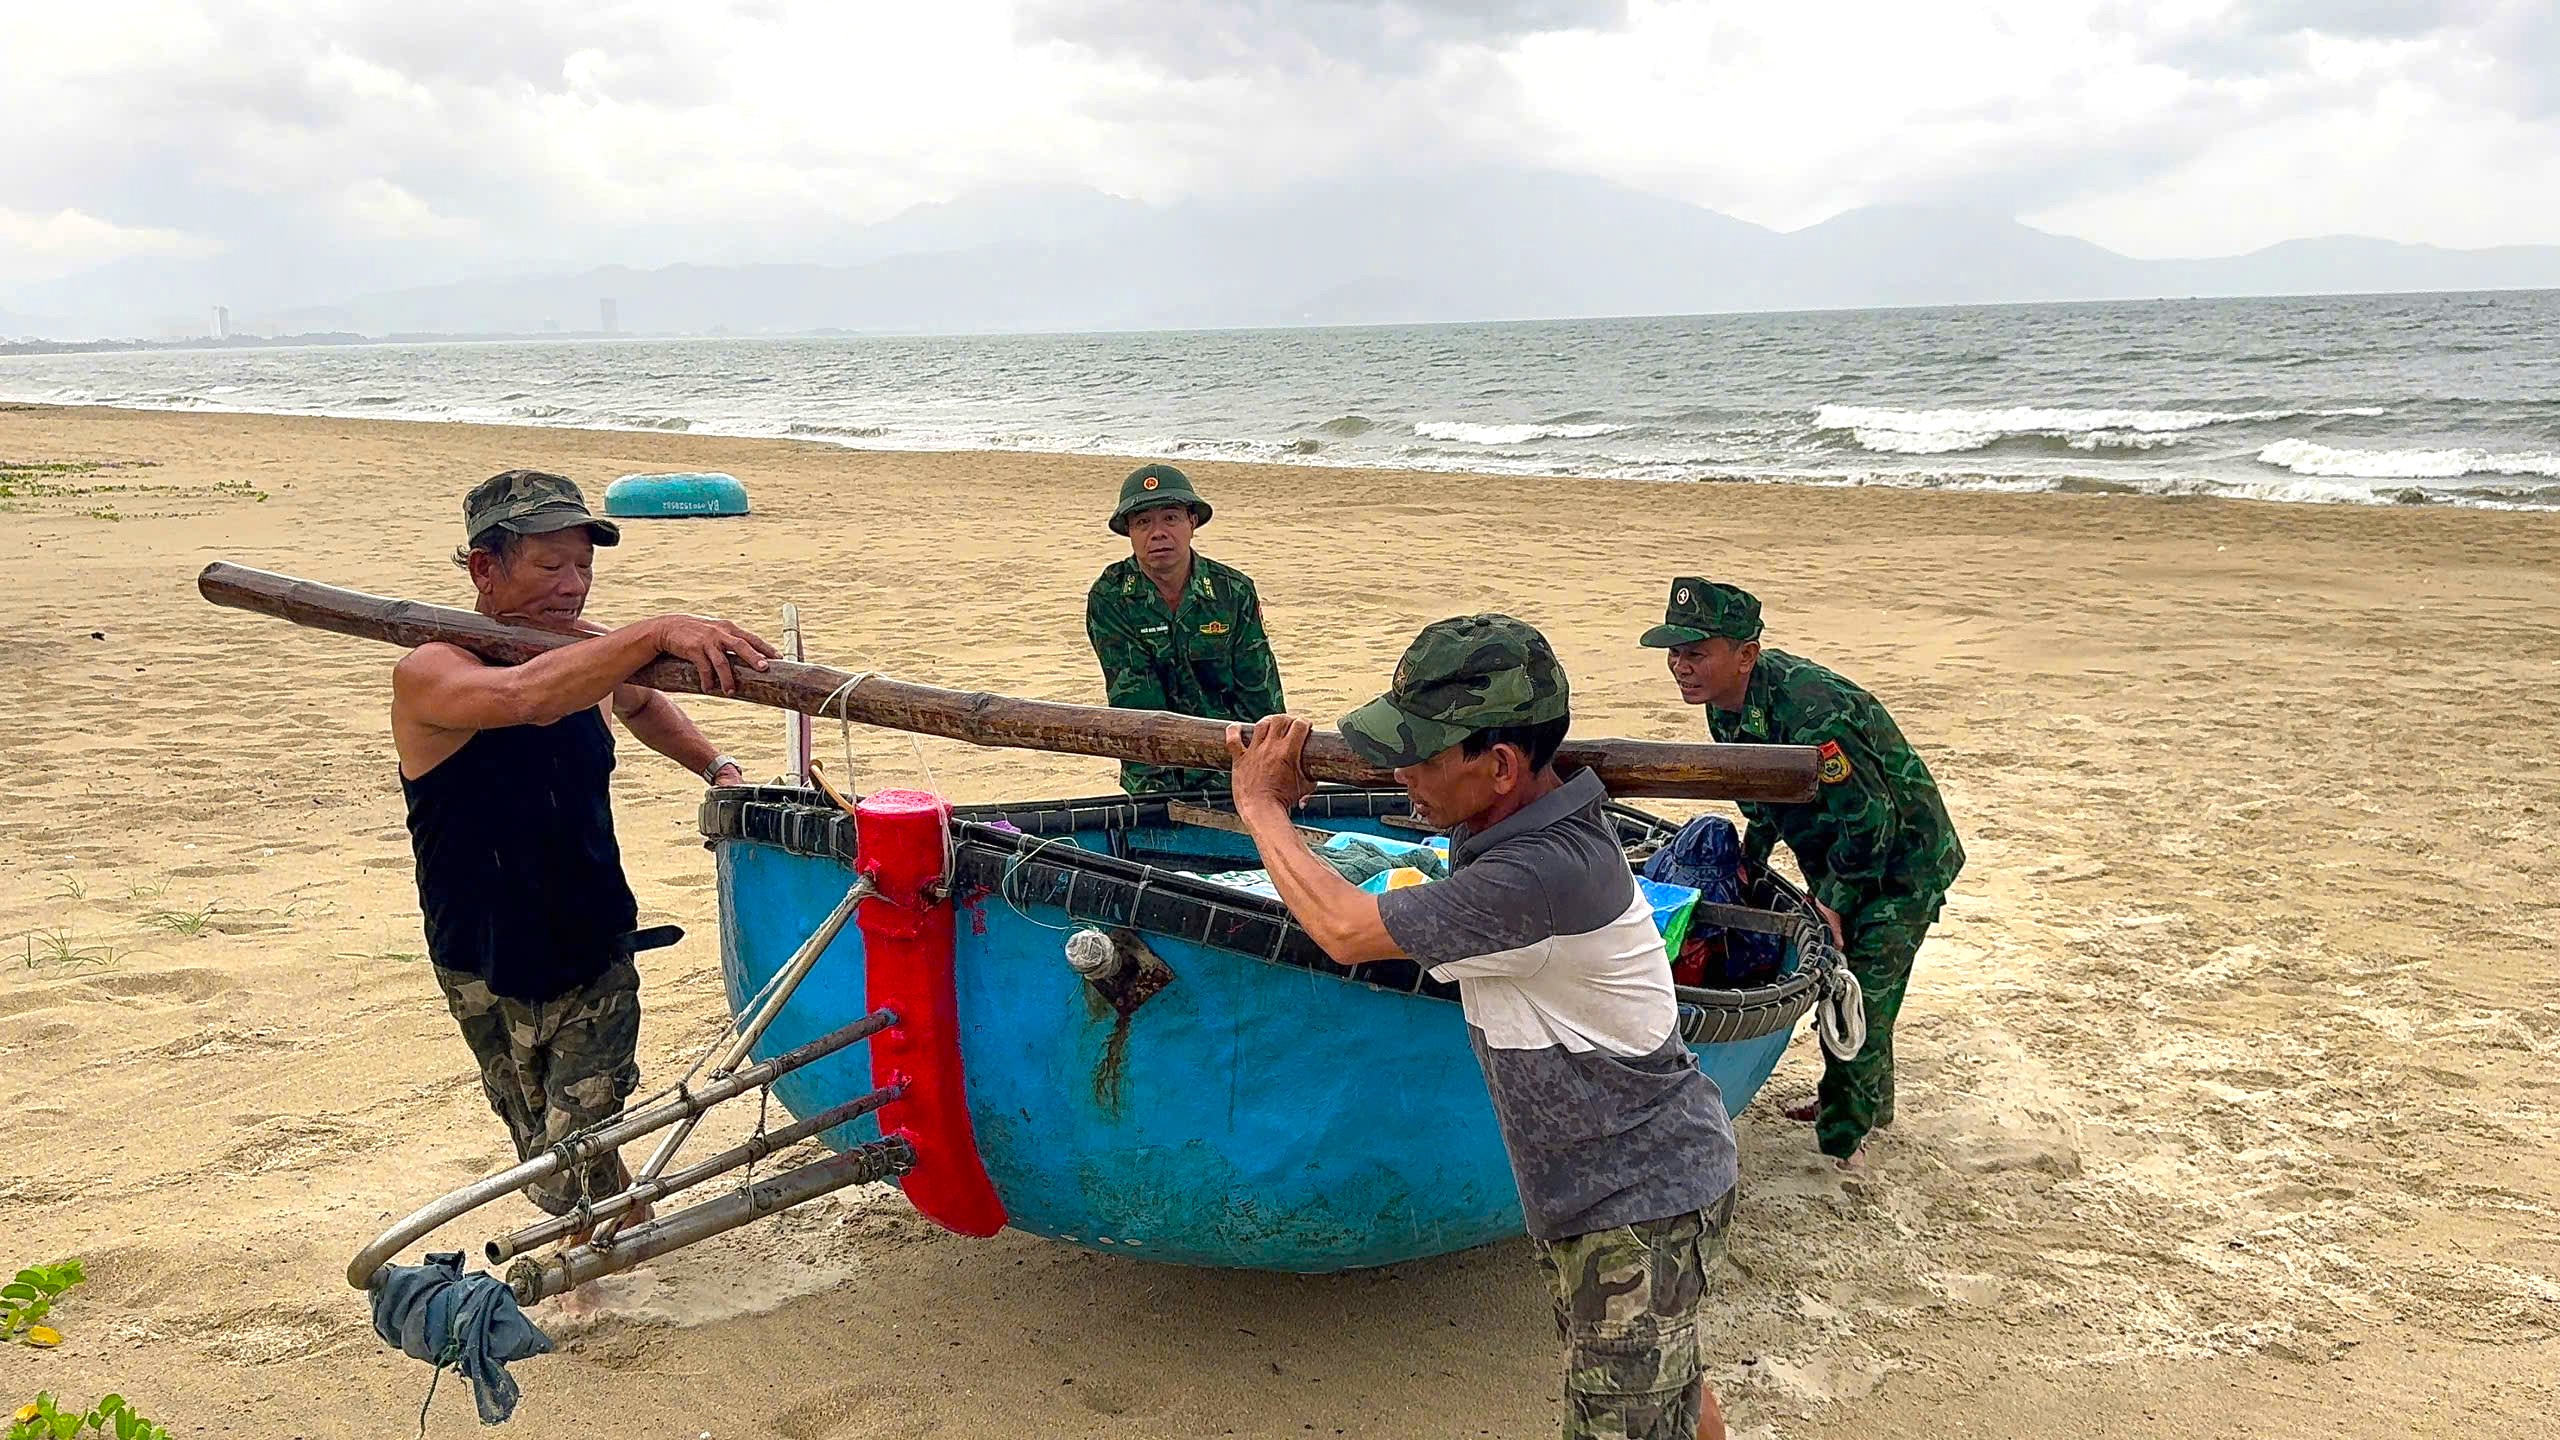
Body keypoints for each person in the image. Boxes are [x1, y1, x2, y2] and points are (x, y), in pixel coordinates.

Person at [1225, 614, 1737, 1440]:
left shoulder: (1536, 873)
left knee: (1628, 1413)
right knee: (1663, 1385)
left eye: (1421, 756)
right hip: (1615, 1186)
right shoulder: (1511, 829)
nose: (1399, 777)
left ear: (1500, 764)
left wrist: (1261, 806)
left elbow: (1347, 929)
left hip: (1635, 1199)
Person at [391, 468, 776, 1246]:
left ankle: (592, 1271)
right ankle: (623, 1217)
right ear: (483, 567)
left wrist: (717, 769)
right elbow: (524, 699)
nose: (573, 586)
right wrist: (655, 629)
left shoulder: (592, 658)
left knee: (577, 1141)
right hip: (477, 949)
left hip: (589, 937)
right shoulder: (431, 671)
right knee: (534, 1133)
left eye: (584, 566)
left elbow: (637, 701)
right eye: (549, 567)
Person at [1641, 577, 1963, 1165]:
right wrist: (1751, 859)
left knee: (1858, 994)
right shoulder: (1728, 707)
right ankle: (1868, 1106)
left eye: (1696, 653)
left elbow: (1872, 821)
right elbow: (1766, 795)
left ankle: (1841, 1148)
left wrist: (1835, 900)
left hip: (1902, 862)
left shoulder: (1814, 714)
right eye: (1675, 653)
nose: (1680, 667)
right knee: (1858, 977)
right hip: (1844, 851)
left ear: (1746, 655)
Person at [1085, 463, 1285, 794]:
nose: (1158, 532)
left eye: (1171, 518)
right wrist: (1155, 795)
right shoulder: (1111, 596)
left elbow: (1259, 692)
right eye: (1143, 522)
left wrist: (1270, 770)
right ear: (1130, 533)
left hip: (1233, 766)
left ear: (1192, 522)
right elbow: (1134, 701)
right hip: (1153, 772)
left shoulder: (1232, 591)